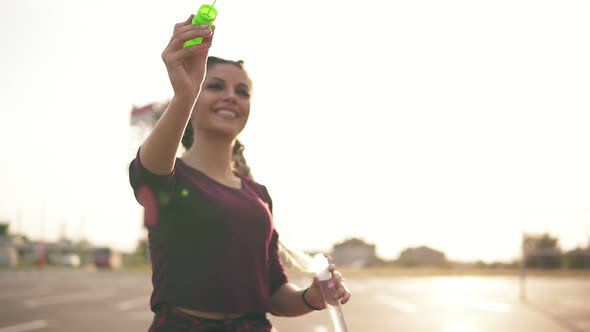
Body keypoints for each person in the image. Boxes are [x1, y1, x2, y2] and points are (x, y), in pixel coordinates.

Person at [128, 15, 351, 331]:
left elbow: (274, 292)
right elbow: (147, 173)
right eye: (215, 86)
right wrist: (184, 94)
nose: (231, 96)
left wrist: (311, 297)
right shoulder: (172, 177)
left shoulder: (258, 195)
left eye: (242, 91)